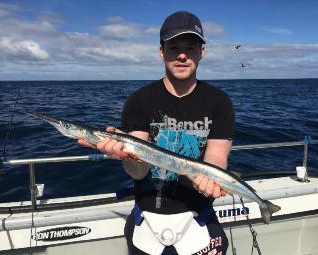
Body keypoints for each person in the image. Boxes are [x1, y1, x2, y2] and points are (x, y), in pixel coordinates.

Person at [79, 10, 235, 255]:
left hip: (200, 218)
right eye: (174, 47)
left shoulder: (219, 102)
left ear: (201, 52)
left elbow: (216, 158)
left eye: (190, 47)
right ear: (161, 51)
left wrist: (211, 179)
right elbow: (139, 171)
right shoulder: (139, 100)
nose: (182, 55)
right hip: (147, 221)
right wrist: (126, 155)